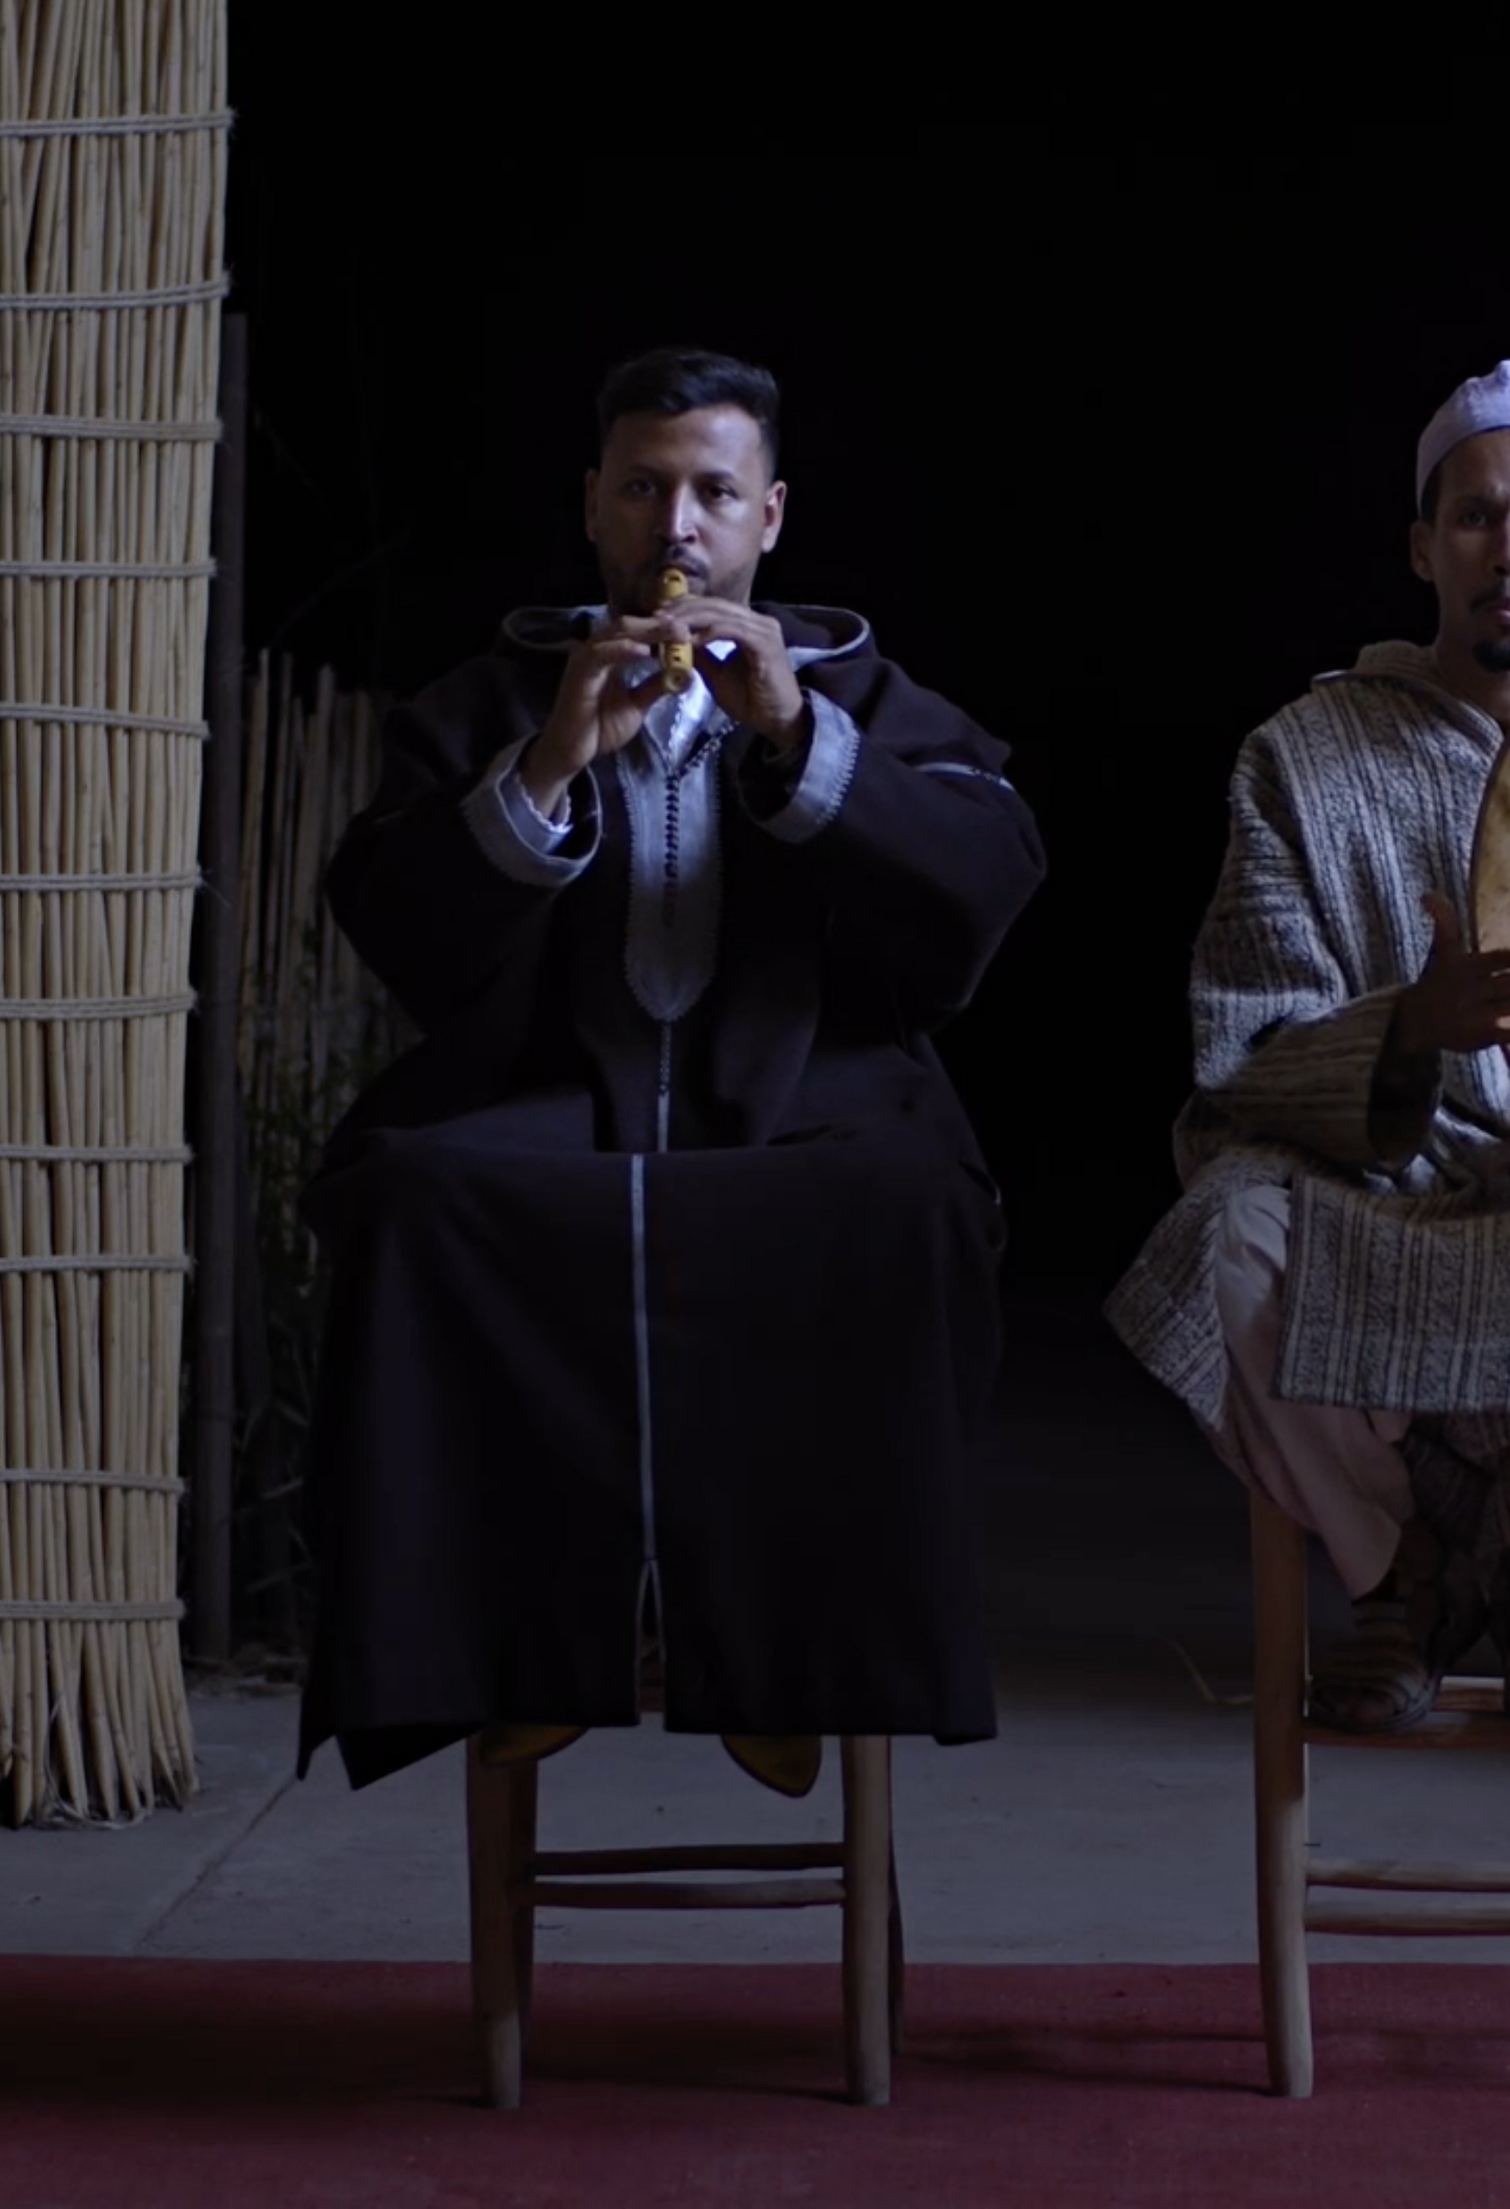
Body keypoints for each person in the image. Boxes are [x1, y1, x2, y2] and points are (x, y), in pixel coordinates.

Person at [295, 347, 1045, 1800]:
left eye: (713, 491)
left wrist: (797, 739)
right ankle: (521, 1658)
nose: (676, 526)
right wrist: (550, 762)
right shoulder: (490, 697)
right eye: (644, 488)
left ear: (771, 517)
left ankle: (783, 1668)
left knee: (904, 1207)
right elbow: (392, 922)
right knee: (413, 1199)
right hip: (543, 1108)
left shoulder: (868, 697)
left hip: (805, 1116)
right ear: (593, 505)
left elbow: (982, 885)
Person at [1105, 359, 1510, 1735]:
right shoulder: (1303, 754)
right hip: (1385, 1204)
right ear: (1424, 548)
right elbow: (1243, 1042)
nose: (1508, 549)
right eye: (1475, 516)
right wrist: (1410, 1030)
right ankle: (1396, 1575)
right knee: (1225, 1237)